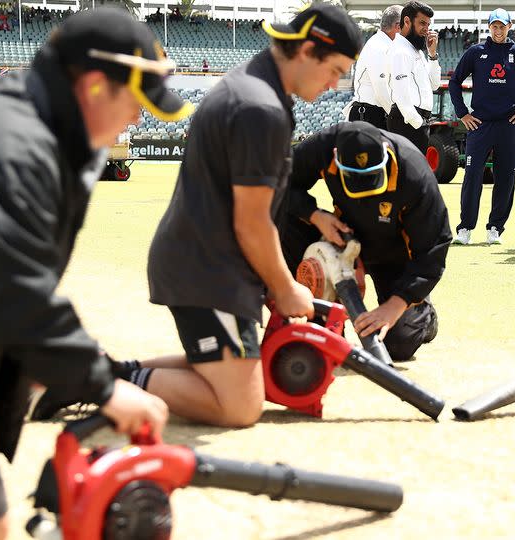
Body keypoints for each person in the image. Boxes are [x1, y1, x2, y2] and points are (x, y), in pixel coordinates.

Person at [0, 7, 183, 539]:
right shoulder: (7, 148)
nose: (138, 119)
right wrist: (103, 387)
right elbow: (13, 291)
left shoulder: (34, 126)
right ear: (97, 85)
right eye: (137, 102)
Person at [144, 3, 362, 428]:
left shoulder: (253, 87)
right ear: (306, 50)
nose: (336, 83)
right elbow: (252, 222)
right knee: (239, 406)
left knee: (234, 370)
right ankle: (96, 382)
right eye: (334, 69)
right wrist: (285, 288)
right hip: (209, 270)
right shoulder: (259, 107)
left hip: (210, 262)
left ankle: (100, 373)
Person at [280, 121, 451, 360]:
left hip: (392, 254)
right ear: (335, 157)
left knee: (398, 345)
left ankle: (424, 315)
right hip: (340, 241)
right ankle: (318, 313)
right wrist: (315, 216)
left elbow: (433, 247)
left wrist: (396, 305)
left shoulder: (413, 171)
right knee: (281, 217)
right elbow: (277, 183)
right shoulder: (322, 146)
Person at [447, 8, 515, 246]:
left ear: (510, 27)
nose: (498, 30)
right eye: (494, 26)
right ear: (489, 27)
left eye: (502, 26)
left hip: (508, 124)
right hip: (479, 125)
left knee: (505, 177)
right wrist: (462, 113)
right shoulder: (476, 52)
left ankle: (495, 228)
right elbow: (454, 81)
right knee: (472, 175)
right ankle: (465, 228)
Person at [386, 1, 440, 153]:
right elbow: (401, 96)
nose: (426, 29)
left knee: (413, 174)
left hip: (417, 122)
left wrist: (433, 55)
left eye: (428, 24)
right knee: (406, 174)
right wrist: (419, 123)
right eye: (422, 23)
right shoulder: (400, 51)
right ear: (407, 21)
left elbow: (434, 85)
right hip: (407, 123)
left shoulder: (418, 51)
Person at [347, 5, 401, 130]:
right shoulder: (379, 47)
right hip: (370, 115)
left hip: (375, 114)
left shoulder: (384, 45)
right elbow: (381, 88)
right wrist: (398, 118)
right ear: (398, 27)